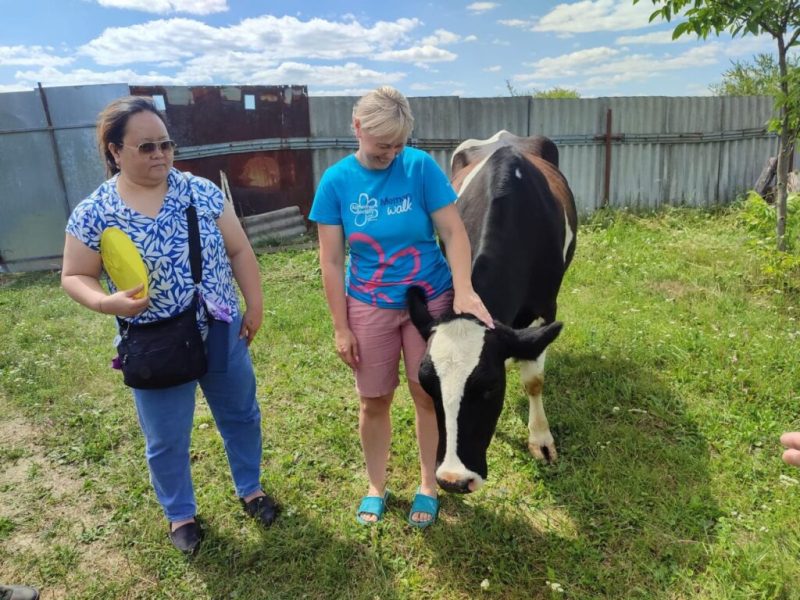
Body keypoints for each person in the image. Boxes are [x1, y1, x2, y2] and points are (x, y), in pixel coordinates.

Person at [61, 96, 277, 555]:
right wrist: (106, 303)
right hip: (155, 342)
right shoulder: (95, 211)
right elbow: (74, 274)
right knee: (166, 438)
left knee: (241, 414)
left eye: (166, 144)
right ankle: (181, 515)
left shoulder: (200, 192)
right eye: (145, 147)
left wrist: (253, 304)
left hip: (220, 328)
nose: (160, 154)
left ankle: (251, 489)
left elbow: (239, 250)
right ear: (115, 151)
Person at [309, 86, 493, 529]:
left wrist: (464, 290)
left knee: (425, 394)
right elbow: (332, 261)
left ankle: (428, 484)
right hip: (367, 304)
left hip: (428, 302)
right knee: (374, 400)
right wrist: (341, 326)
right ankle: (376, 486)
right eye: (381, 146)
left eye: (398, 145)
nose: (391, 154)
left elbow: (452, 232)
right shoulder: (336, 182)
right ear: (357, 129)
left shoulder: (421, 167)